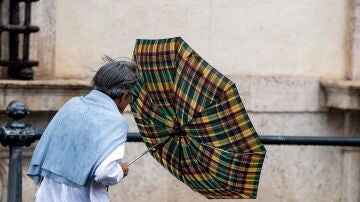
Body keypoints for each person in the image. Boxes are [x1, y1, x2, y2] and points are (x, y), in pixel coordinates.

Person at [27, 56, 140, 202]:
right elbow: (105, 173)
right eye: (130, 98)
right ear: (124, 96)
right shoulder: (114, 121)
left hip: (48, 195)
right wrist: (119, 170)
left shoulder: (72, 105)